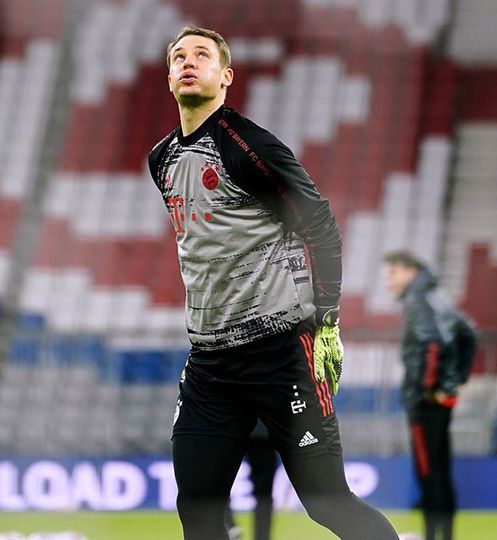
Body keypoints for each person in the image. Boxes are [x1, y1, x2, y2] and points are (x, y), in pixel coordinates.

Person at [148, 25, 399, 540]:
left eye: (201, 55)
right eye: (178, 57)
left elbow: (321, 225)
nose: (188, 62)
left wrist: (327, 324)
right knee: (197, 509)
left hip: (281, 353)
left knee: (328, 504)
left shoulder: (249, 148)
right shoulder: (163, 160)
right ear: (169, 77)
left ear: (226, 77)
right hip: (210, 364)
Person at [382, 250, 478, 540]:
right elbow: (468, 334)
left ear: (411, 272)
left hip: (426, 402)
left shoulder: (417, 300)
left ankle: (431, 535)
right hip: (441, 399)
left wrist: (429, 390)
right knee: (441, 471)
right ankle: (445, 536)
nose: (389, 281)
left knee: (428, 473)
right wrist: (455, 380)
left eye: (393, 273)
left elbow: (430, 344)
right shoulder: (437, 296)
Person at [225, 421, 278, 540]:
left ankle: (230, 527)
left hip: (236, 427)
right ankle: (231, 527)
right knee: (264, 492)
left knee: (219, 482)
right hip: (260, 429)